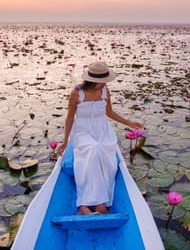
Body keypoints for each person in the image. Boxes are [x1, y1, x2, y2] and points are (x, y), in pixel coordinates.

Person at [57, 61, 143, 215]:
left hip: (102, 130)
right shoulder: (77, 93)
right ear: (93, 80)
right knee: (93, 150)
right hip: (83, 132)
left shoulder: (105, 91)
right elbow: (70, 117)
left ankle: (91, 205)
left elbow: (109, 113)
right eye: (103, 81)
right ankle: (94, 204)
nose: (105, 83)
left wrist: (129, 123)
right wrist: (65, 141)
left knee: (105, 156)